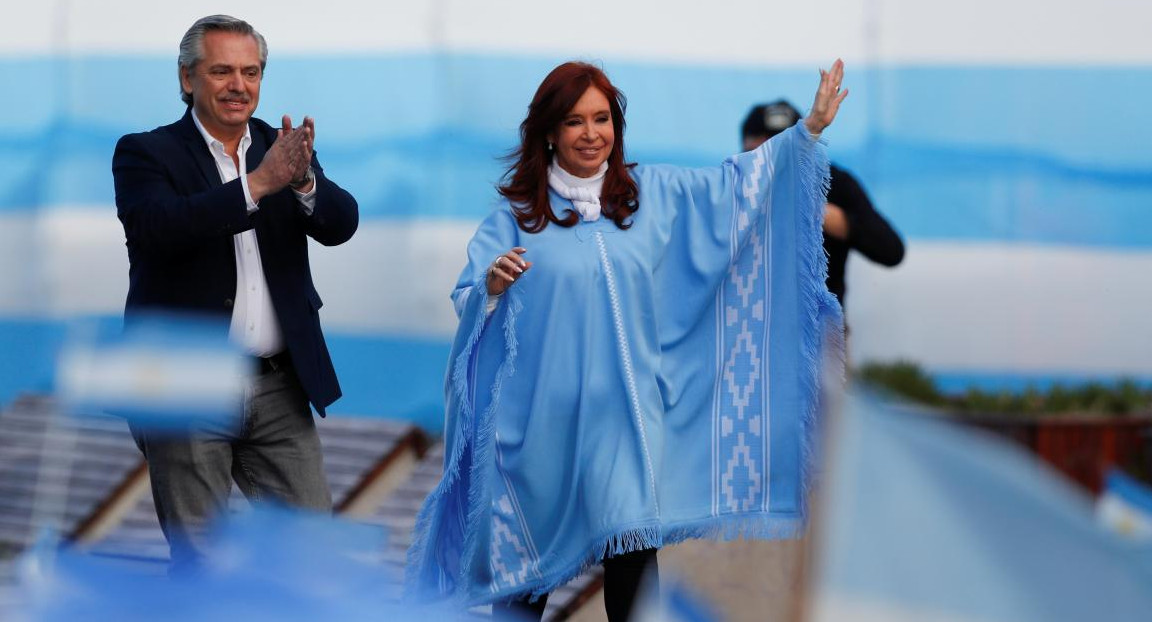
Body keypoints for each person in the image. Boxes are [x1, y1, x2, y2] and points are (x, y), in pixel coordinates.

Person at [407, 60, 846, 621]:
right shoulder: (515, 218)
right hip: (541, 433)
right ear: (548, 132)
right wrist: (491, 286)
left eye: (602, 119)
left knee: (635, 562)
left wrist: (805, 132)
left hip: (627, 425)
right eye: (574, 121)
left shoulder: (651, 195)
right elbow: (468, 298)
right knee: (523, 588)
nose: (591, 134)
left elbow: (734, 191)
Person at [112, 15, 358, 574]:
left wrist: (303, 182)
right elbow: (159, 227)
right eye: (221, 70)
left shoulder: (281, 145)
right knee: (202, 564)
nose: (237, 84)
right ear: (187, 78)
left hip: (278, 387)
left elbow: (341, 224)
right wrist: (259, 184)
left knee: (313, 558)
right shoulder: (146, 152)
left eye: (250, 72)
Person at [741, 100, 904, 311]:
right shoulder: (731, 188)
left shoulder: (833, 183)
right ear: (746, 147)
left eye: (784, 142)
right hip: (747, 332)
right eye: (765, 143)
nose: (774, 152)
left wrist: (820, 212)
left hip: (819, 332)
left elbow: (891, 250)